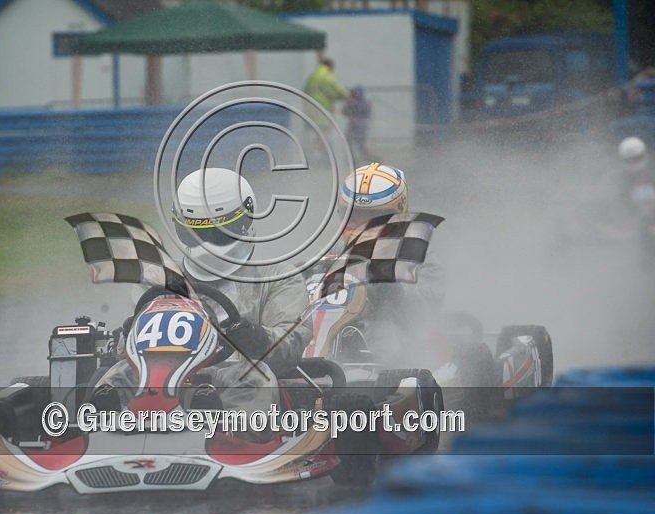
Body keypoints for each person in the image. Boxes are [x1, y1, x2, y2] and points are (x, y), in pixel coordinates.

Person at [95, 168, 312, 415]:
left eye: (217, 231)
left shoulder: (278, 277)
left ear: (245, 220)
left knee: (254, 378)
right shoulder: (159, 281)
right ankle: (98, 431)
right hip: (163, 378)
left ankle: (229, 438)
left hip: (233, 374)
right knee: (118, 375)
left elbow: (291, 345)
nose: (206, 242)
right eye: (196, 231)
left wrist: (257, 339)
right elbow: (133, 352)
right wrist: (128, 336)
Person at [337, 162, 445, 352]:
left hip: (396, 344)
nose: (362, 225)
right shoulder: (331, 256)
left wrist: (389, 287)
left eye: (374, 217)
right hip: (333, 337)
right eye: (355, 215)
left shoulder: (418, 256)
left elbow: (429, 305)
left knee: (384, 333)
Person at [342, 86, 379, 164]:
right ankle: (352, 159)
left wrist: (350, 104)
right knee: (348, 144)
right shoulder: (351, 103)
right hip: (352, 127)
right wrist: (348, 104)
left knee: (360, 145)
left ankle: (371, 159)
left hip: (360, 128)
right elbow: (344, 112)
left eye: (353, 95)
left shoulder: (364, 104)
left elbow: (360, 111)